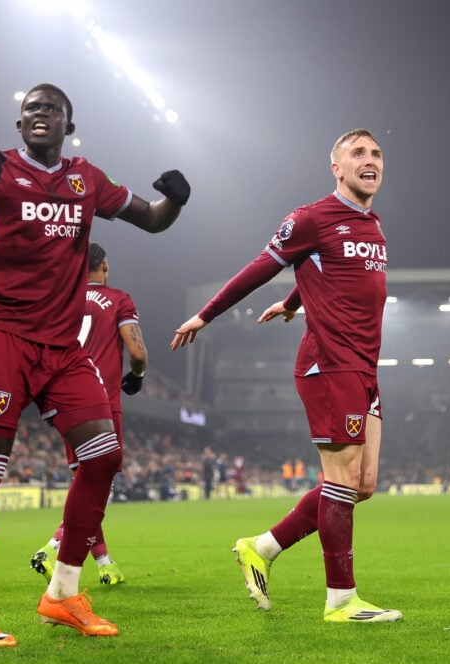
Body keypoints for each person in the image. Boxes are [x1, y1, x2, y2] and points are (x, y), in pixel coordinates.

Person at [0, 82, 190, 646]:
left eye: (52, 110)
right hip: (1, 337)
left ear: (68, 124)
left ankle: (62, 593)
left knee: (104, 457)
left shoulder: (87, 179)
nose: (41, 115)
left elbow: (151, 219)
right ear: (19, 125)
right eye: (32, 109)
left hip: (62, 347)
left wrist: (175, 200)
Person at [170, 129, 400, 623]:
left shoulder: (374, 224)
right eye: (358, 153)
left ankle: (262, 547)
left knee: (362, 485)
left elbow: (335, 274)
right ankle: (341, 600)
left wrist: (294, 300)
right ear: (336, 167)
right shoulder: (310, 218)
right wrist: (205, 316)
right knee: (340, 479)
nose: (370, 160)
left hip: (365, 365)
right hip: (329, 362)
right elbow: (260, 266)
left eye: (377, 153)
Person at [31, 243, 149, 587]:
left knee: (84, 485)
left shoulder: (60, 298)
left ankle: (105, 564)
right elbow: (137, 351)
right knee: (97, 486)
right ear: (105, 266)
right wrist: (137, 375)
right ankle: (52, 546)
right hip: (100, 401)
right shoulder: (118, 299)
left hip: (65, 398)